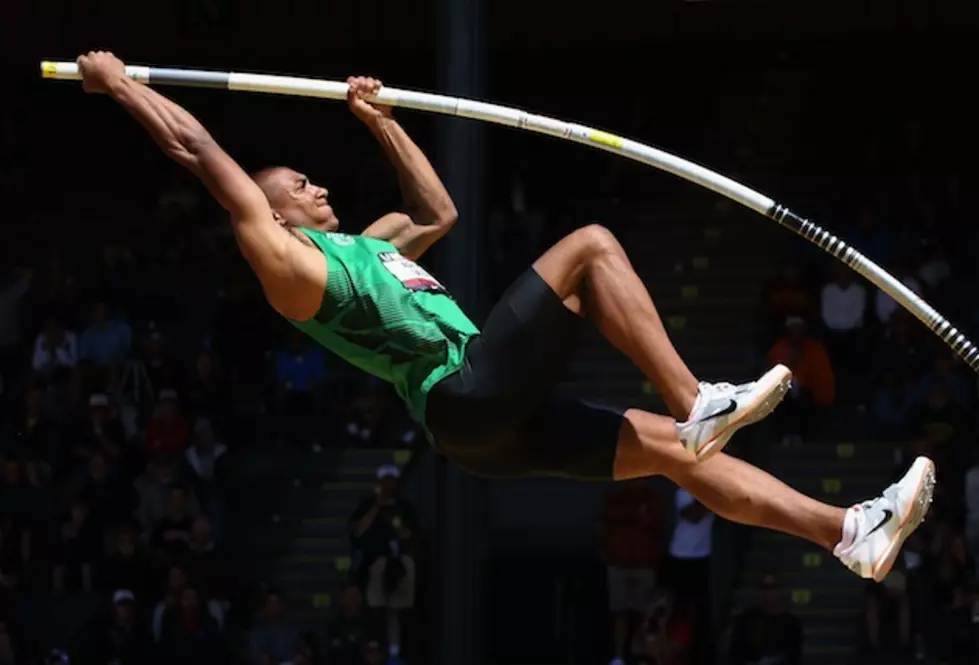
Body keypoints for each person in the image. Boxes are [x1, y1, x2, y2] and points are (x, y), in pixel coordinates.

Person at [73, 51, 934, 581]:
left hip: (488, 425)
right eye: (302, 185)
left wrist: (381, 123)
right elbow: (199, 151)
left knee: (676, 458)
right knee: (592, 245)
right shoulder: (289, 266)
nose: (319, 186)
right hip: (463, 394)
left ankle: (847, 533)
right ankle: (695, 396)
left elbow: (438, 210)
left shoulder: (370, 246)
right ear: (278, 214)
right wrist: (120, 88)